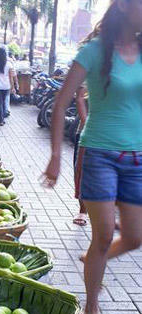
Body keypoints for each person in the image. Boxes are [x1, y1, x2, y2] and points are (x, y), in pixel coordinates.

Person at [42, 0, 142, 314]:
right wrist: (56, 156)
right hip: (99, 154)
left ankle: (93, 258)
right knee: (102, 236)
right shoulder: (96, 50)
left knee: (134, 236)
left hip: (137, 159)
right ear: (127, 6)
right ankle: (92, 307)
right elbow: (61, 102)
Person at [73, 85, 89, 226]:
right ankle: (83, 209)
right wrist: (87, 125)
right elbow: (80, 99)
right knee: (82, 172)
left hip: (118, 136)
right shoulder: (91, 69)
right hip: (88, 134)